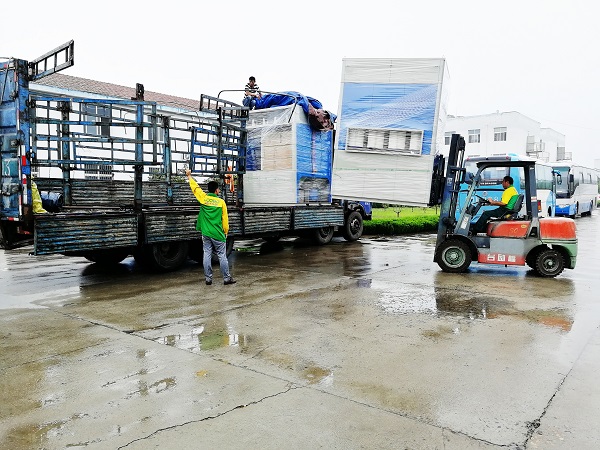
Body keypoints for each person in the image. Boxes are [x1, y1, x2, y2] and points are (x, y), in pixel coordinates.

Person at [186, 169, 236, 285]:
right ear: (216, 190)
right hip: (217, 233)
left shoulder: (203, 198)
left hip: (206, 233)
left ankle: (208, 279)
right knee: (222, 255)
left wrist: (189, 176)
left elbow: (195, 188)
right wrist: (225, 232)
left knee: (207, 254)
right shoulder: (221, 202)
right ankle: (226, 278)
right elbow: (225, 220)